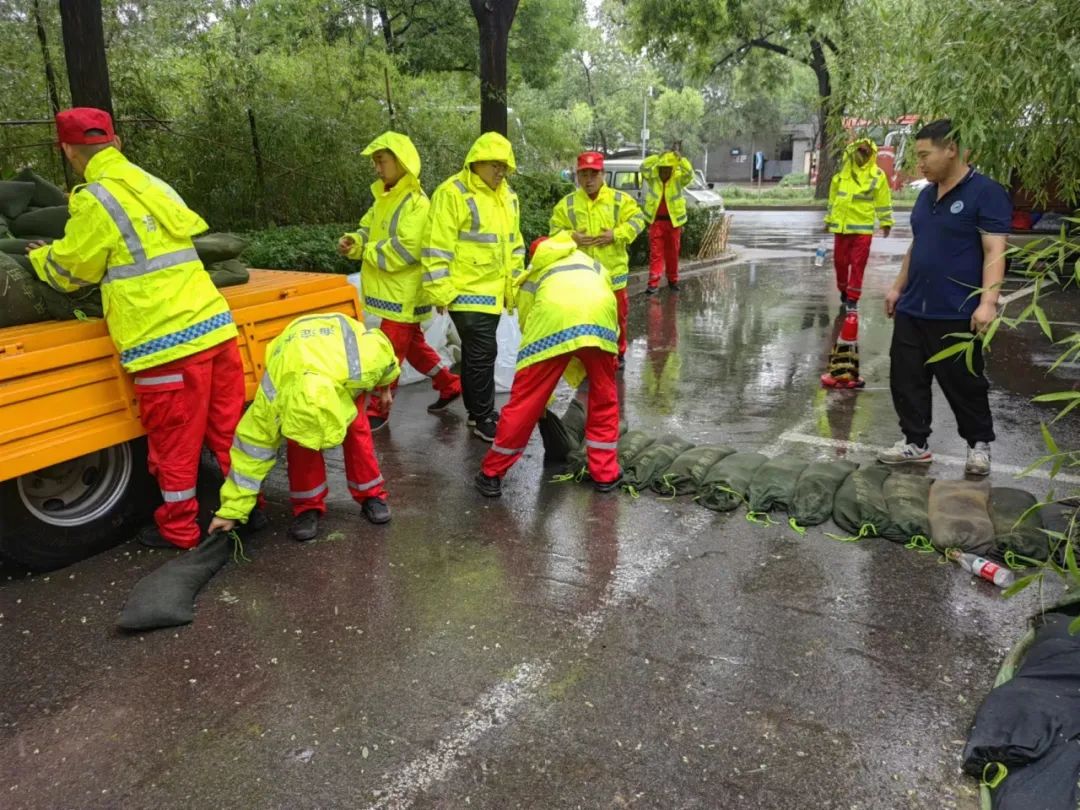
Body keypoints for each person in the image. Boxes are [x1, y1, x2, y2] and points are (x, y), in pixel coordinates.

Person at [28, 107, 249, 550]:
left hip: (164, 343)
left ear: (68, 150)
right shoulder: (153, 183)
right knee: (229, 434)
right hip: (216, 328)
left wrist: (39, 256)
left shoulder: (96, 199)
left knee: (174, 447)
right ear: (117, 143)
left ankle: (180, 532)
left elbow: (73, 272)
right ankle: (246, 511)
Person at [878, 119, 1010, 476]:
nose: (919, 163)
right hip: (913, 306)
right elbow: (918, 243)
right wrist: (897, 286)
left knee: (964, 382)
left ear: (950, 149)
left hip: (955, 309)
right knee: (906, 379)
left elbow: (994, 249)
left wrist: (987, 303)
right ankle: (915, 443)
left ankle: (978, 445)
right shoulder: (925, 194)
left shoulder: (986, 192)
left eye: (924, 155)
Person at [207, 313, 400, 541]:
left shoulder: (361, 367)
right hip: (298, 359)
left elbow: (385, 353)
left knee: (357, 433)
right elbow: (249, 458)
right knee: (302, 447)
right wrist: (231, 512)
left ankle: (371, 496)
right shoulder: (271, 401)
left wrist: (385, 388)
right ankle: (308, 507)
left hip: (340, 371)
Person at [474, 233, 620, 497]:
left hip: (552, 326)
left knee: (524, 404)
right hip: (601, 325)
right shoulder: (590, 262)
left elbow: (529, 325)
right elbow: (608, 301)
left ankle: (491, 474)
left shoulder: (537, 272)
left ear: (537, 254)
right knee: (603, 399)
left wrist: (541, 396)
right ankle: (605, 475)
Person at [338, 131, 461, 431]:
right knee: (415, 348)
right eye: (375, 163)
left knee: (389, 354)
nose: (377, 168)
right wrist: (354, 240)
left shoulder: (417, 204)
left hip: (404, 295)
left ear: (401, 162)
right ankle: (449, 384)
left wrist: (364, 250)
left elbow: (407, 250)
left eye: (381, 161)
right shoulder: (385, 197)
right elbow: (368, 228)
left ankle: (379, 410)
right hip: (391, 294)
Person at [423, 132, 526, 442]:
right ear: (476, 162)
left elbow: (514, 244)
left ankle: (476, 412)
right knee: (482, 353)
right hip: (466, 291)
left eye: (505, 166)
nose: (500, 172)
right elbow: (435, 245)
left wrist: (516, 283)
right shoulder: (453, 193)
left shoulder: (507, 196)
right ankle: (482, 416)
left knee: (475, 354)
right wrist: (441, 291)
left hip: (493, 291)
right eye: (495, 165)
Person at [550, 151, 647, 369]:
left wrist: (616, 234)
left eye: (594, 174)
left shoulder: (620, 200)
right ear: (577, 176)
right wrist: (571, 237)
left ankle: (618, 354)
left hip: (613, 273)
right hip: (582, 275)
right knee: (584, 316)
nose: (589, 179)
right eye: (584, 174)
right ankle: (588, 357)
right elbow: (554, 231)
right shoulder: (567, 205)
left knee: (616, 316)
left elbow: (638, 220)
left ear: (603, 174)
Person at [824, 138, 894, 311]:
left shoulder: (876, 176)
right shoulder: (841, 176)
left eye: (865, 151)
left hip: (862, 230)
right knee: (840, 262)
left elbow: (883, 201)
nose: (861, 154)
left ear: (871, 154)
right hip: (841, 229)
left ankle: (853, 298)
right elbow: (833, 202)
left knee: (857, 264)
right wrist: (828, 221)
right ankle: (843, 289)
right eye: (859, 150)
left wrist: (886, 222)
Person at [640, 149, 694, 294]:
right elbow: (643, 167)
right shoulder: (653, 178)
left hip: (673, 223)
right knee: (656, 254)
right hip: (656, 223)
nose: (665, 171)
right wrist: (657, 157)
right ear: (658, 168)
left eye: (668, 168)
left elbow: (689, 174)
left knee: (673, 253)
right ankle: (653, 284)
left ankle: (673, 280)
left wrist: (681, 160)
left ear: (672, 169)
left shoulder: (678, 179)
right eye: (662, 168)